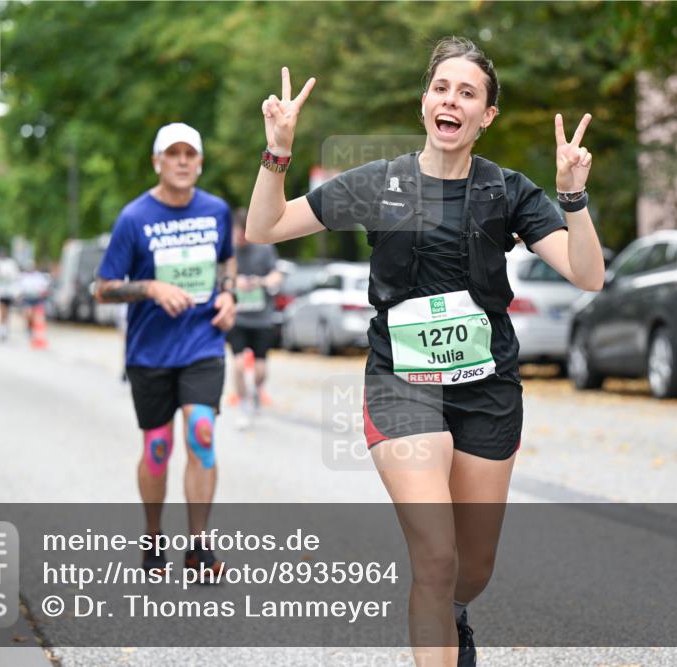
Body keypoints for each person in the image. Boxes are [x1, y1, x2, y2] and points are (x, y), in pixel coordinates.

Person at [246, 38, 604, 666]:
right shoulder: (376, 182)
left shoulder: (509, 191)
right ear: (424, 102)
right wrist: (277, 151)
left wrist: (571, 195)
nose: (452, 101)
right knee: (435, 558)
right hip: (401, 382)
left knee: (472, 567)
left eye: (468, 93)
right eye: (442, 88)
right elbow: (265, 228)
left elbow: (587, 273)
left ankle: (454, 613)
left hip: (488, 387)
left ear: (485, 116)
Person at [95, 122, 237, 575]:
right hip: (150, 351)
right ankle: (153, 537)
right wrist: (152, 288)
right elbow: (103, 288)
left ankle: (199, 546)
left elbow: (227, 261)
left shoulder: (216, 210)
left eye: (189, 154)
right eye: (172, 154)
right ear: (157, 162)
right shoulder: (133, 218)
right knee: (158, 448)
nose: (181, 161)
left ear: (199, 162)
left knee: (203, 434)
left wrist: (229, 293)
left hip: (202, 342)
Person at [226, 207, 283, 429]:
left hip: (261, 319)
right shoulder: (228, 251)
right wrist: (234, 282)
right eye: (237, 233)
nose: (240, 238)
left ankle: (256, 390)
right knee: (238, 364)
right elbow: (218, 277)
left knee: (260, 369)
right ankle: (243, 404)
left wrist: (264, 281)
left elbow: (276, 273)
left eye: (243, 234)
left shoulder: (264, 248)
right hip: (238, 318)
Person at [0, 248, 21, 342]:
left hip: (9, 292)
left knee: (6, 311)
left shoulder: (11, 263)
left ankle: (4, 329)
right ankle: (2, 329)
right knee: (2, 310)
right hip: (0, 291)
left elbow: (15, 277)